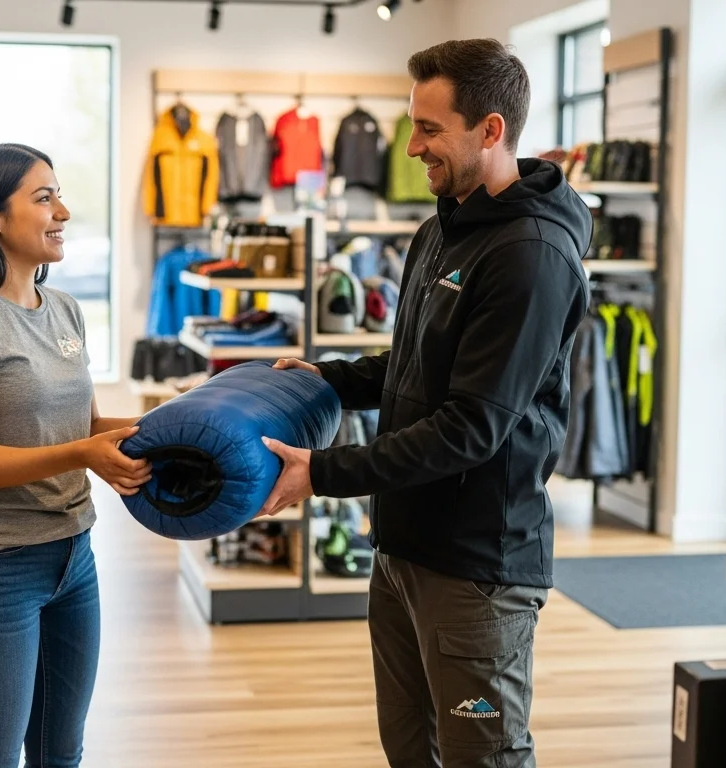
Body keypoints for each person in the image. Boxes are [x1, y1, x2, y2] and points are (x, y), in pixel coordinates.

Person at [258, 39, 592, 768]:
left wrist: (323, 472)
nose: (412, 148)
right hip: (403, 543)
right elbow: (416, 366)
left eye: (431, 130)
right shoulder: (441, 228)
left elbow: (472, 426)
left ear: (491, 130)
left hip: (477, 566)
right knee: (411, 749)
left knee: (483, 757)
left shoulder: (530, 255)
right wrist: (329, 378)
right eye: (414, 126)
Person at [0, 143, 151, 767]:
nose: (63, 212)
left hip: (74, 558)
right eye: (44, 198)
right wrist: (83, 454)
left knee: (59, 754)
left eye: (60, 196)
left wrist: (179, 422)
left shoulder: (65, 309)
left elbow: (85, 426)